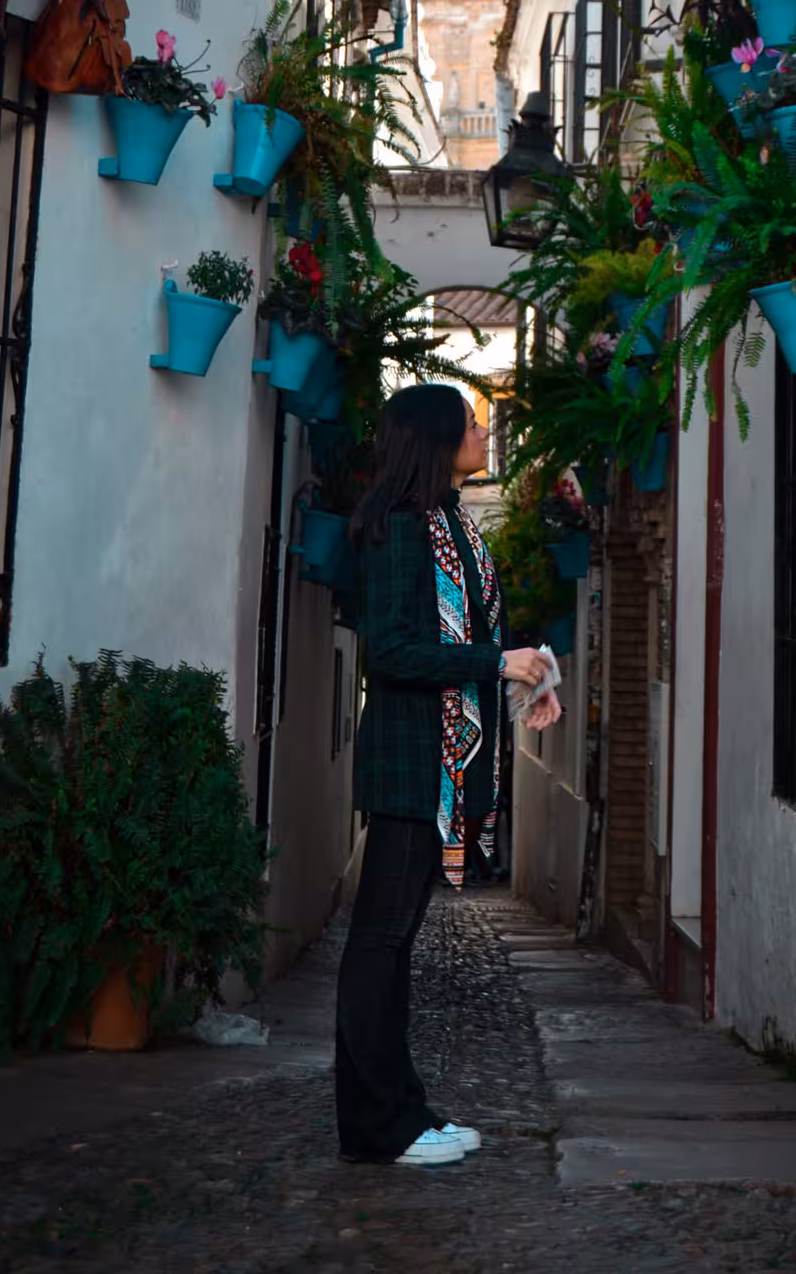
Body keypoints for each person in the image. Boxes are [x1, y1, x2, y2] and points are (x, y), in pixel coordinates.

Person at [335, 384, 562, 1168]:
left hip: (439, 761)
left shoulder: (450, 527)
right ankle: (375, 1128)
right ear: (437, 439)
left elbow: (473, 638)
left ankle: (403, 1111)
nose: (481, 429)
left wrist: (532, 670)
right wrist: (494, 662)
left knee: (393, 949)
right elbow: (392, 653)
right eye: (469, 422)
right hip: (410, 762)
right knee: (379, 944)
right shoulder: (400, 529)